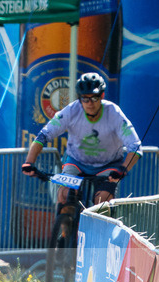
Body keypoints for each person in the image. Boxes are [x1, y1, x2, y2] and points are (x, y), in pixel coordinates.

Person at [22, 72, 141, 207]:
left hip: (108, 165)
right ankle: (65, 225)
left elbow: (135, 146)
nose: (90, 103)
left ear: (102, 96)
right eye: (85, 99)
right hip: (77, 162)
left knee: (102, 201)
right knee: (64, 195)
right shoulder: (71, 110)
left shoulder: (114, 113)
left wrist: (123, 169)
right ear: (79, 99)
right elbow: (43, 136)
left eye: (94, 98)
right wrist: (29, 162)